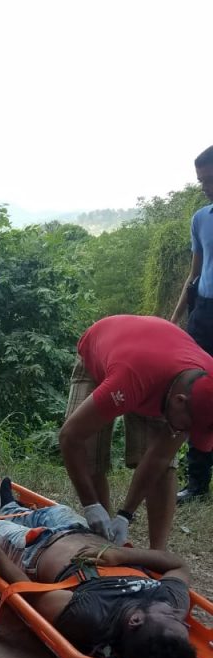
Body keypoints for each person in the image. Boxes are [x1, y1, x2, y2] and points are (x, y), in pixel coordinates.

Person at [0, 474, 196, 658]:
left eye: (171, 617)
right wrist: (122, 555)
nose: (179, 615)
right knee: (57, 510)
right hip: (79, 529)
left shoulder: (89, 616)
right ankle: (10, 506)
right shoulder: (171, 602)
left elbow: (28, 592)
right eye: (183, 622)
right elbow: (178, 565)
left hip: (33, 547)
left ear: (136, 620)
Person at [59, 314, 213, 550]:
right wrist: (91, 505)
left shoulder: (204, 388)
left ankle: (158, 552)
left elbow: (159, 458)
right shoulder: (130, 379)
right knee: (89, 452)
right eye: (187, 428)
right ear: (179, 401)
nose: (185, 434)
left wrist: (125, 515)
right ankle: (104, 539)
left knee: (165, 468)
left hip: (158, 366)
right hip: (108, 353)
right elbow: (70, 436)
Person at [171, 146, 213, 503]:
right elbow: (194, 274)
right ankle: (197, 482)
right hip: (205, 312)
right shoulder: (201, 218)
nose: (205, 188)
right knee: (198, 392)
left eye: (210, 180)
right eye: (201, 181)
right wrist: (174, 320)